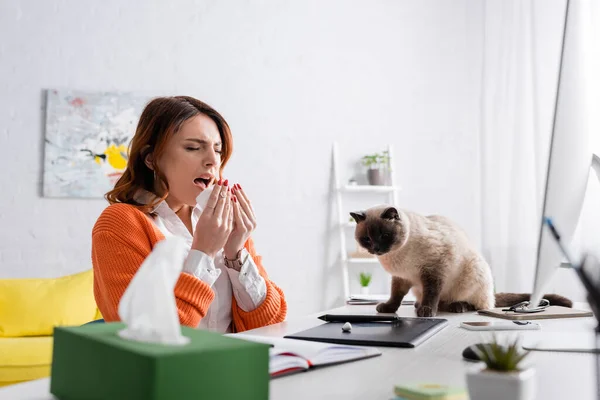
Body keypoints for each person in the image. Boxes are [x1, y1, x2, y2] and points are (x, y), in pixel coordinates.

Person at [91, 96, 287, 333]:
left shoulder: (222, 222)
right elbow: (147, 335)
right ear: (151, 158)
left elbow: (270, 325)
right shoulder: (120, 223)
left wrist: (236, 253)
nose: (213, 161)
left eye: (218, 150)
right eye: (193, 148)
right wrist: (203, 252)